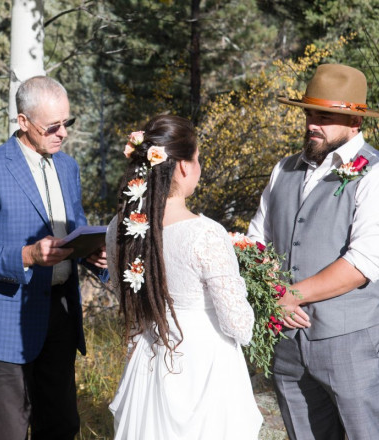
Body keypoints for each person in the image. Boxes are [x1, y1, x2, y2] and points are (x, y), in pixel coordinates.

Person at [247, 64, 379, 440]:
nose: (312, 123)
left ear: (355, 120)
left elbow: (364, 263)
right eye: (309, 112)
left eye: (325, 115)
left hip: (353, 341)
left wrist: (288, 296)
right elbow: (257, 241)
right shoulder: (283, 170)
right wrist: (274, 294)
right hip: (287, 344)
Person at [0, 75, 107, 440]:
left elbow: (76, 228)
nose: (63, 133)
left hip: (60, 313)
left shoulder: (68, 168)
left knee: (61, 425)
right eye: (53, 126)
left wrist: (92, 255)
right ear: (23, 122)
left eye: (67, 123)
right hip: (6, 319)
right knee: (10, 431)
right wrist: (25, 255)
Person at [105, 115, 263, 439]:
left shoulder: (116, 229)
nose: (199, 166)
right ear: (182, 167)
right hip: (203, 367)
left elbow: (127, 299)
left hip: (149, 357)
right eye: (198, 159)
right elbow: (238, 325)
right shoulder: (205, 233)